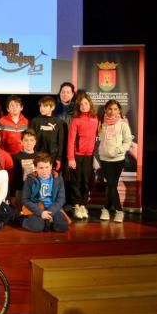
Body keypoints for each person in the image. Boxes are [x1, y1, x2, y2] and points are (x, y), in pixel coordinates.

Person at [98, 100, 132, 223]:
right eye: (110, 109)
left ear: (119, 111)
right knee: (111, 185)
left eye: (115, 109)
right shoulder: (102, 123)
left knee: (111, 185)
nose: (112, 112)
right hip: (105, 159)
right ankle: (113, 210)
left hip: (118, 160)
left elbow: (128, 140)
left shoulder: (123, 124)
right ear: (106, 110)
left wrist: (120, 150)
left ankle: (111, 209)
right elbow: (100, 139)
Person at [67, 92, 99, 220]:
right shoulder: (76, 120)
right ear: (78, 107)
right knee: (76, 182)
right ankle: (76, 205)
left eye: (86, 103)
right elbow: (71, 140)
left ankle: (84, 205)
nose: (84, 106)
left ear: (89, 104)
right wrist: (71, 158)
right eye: (81, 105)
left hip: (89, 156)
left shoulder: (95, 118)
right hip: (77, 156)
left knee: (86, 182)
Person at [21, 153, 69, 233]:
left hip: (52, 207)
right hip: (37, 208)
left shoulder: (58, 178)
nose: (44, 171)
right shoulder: (30, 179)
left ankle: (47, 222)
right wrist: (40, 213)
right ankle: (23, 220)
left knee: (62, 226)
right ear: (36, 168)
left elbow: (61, 199)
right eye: (41, 168)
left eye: (47, 167)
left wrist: (51, 212)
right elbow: (25, 199)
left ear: (51, 166)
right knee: (37, 227)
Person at [30, 96, 65, 170]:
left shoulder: (58, 122)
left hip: (53, 156)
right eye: (41, 106)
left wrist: (58, 158)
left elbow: (60, 142)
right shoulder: (35, 121)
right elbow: (31, 139)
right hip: (38, 156)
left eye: (45, 106)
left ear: (52, 108)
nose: (42, 108)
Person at [12, 130, 38, 200]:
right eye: (26, 140)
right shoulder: (16, 157)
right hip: (22, 190)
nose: (29, 143)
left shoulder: (39, 156)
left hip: (37, 189)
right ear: (22, 142)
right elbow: (15, 177)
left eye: (31, 140)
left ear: (35, 142)